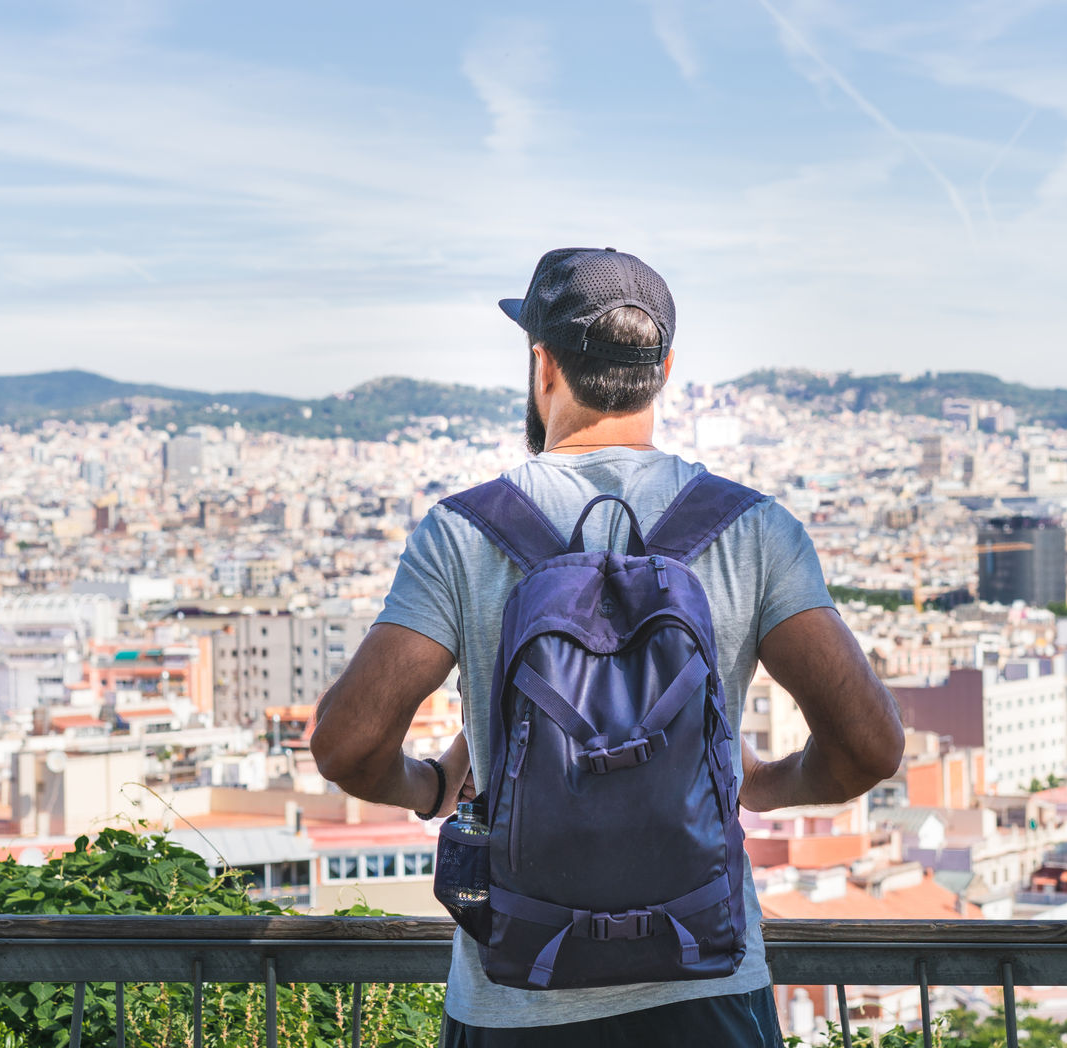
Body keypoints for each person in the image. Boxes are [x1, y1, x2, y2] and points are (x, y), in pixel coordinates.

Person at [311, 247, 905, 1047]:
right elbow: (870, 747)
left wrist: (434, 785)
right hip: (707, 991)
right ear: (664, 370)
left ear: (543, 364)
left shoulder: (463, 533)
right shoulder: (752, 530)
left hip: (515, 1001)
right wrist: (755, 785)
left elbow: (347, 744)